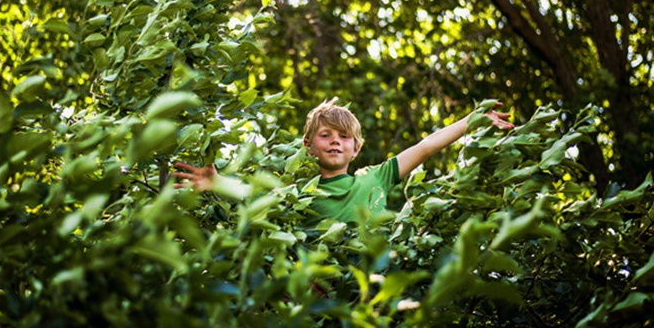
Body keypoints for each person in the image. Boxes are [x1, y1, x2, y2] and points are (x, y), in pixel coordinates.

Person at [173, 98, 514, 222]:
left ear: (356, 148)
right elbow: (257, 197)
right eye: (326, 135)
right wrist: (217, 183)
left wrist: (470, 121)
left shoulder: (376, 178)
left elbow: (425, 147)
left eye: (344, 137)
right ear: (309, 146)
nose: (335, 141)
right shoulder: (301, 194)